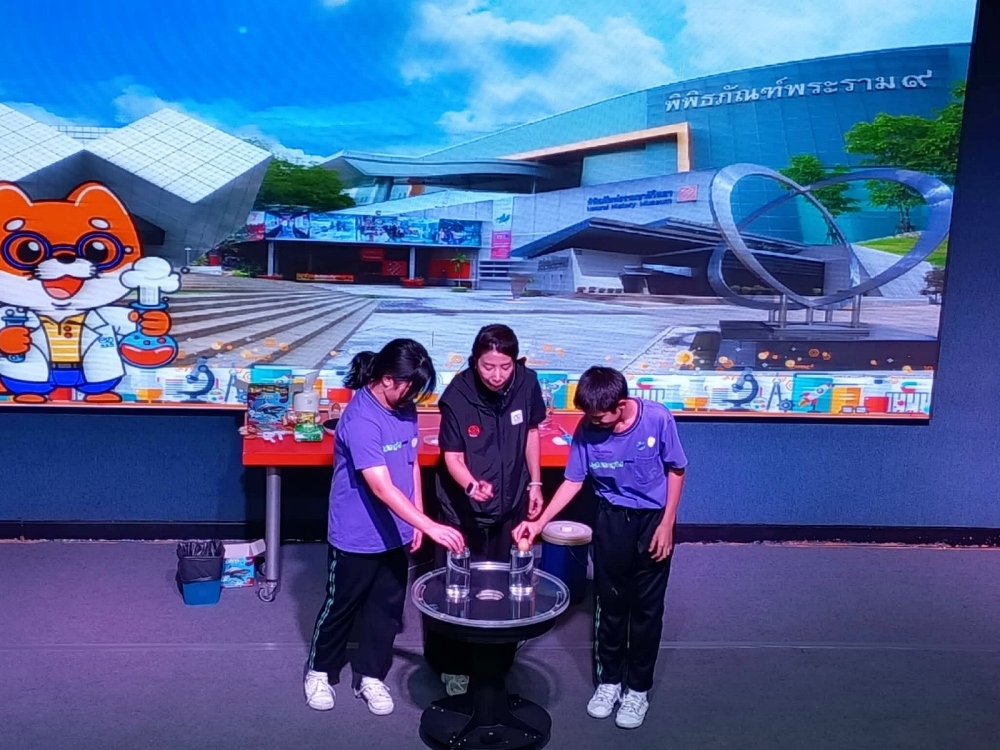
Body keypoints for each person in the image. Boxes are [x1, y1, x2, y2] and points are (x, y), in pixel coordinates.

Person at [513, 366, 687, 730]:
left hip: (653, 521)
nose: (593, 422)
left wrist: (667, 523)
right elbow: (572, 482)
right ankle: (609, 682)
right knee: (610, 605)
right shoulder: (587, 429)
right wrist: (539, 523)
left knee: (646, 610)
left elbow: (676, 469)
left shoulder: (657, 419)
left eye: (599, 416)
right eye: (589, 416)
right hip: (611, 520)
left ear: (621, 405)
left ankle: (637, 689)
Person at [304, 339, 466, 716]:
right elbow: (381, 486)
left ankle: (371, 676)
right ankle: (319, 671)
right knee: (341, 606)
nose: (414, 395)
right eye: (411, 386)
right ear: (388, 379)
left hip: (397, 531)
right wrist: (430, 524)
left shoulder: (405, 408)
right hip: (356, 534)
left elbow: (411, 464)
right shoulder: (361, 418)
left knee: (386, 609)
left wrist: (417, 519)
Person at [425, 324, 548, 696]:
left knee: (503, 584)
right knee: (457, 588)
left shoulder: (527, 382)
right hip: (463, 510)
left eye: (504, 367)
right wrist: (470, 485)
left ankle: (497, 660)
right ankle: (450, 665)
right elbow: (452, 456)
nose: (497, 375)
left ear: (515, 362)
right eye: (488, 366)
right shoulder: (457, 396)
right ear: (474, 361)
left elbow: (531, 432)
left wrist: (536, 483)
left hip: (510, 504)